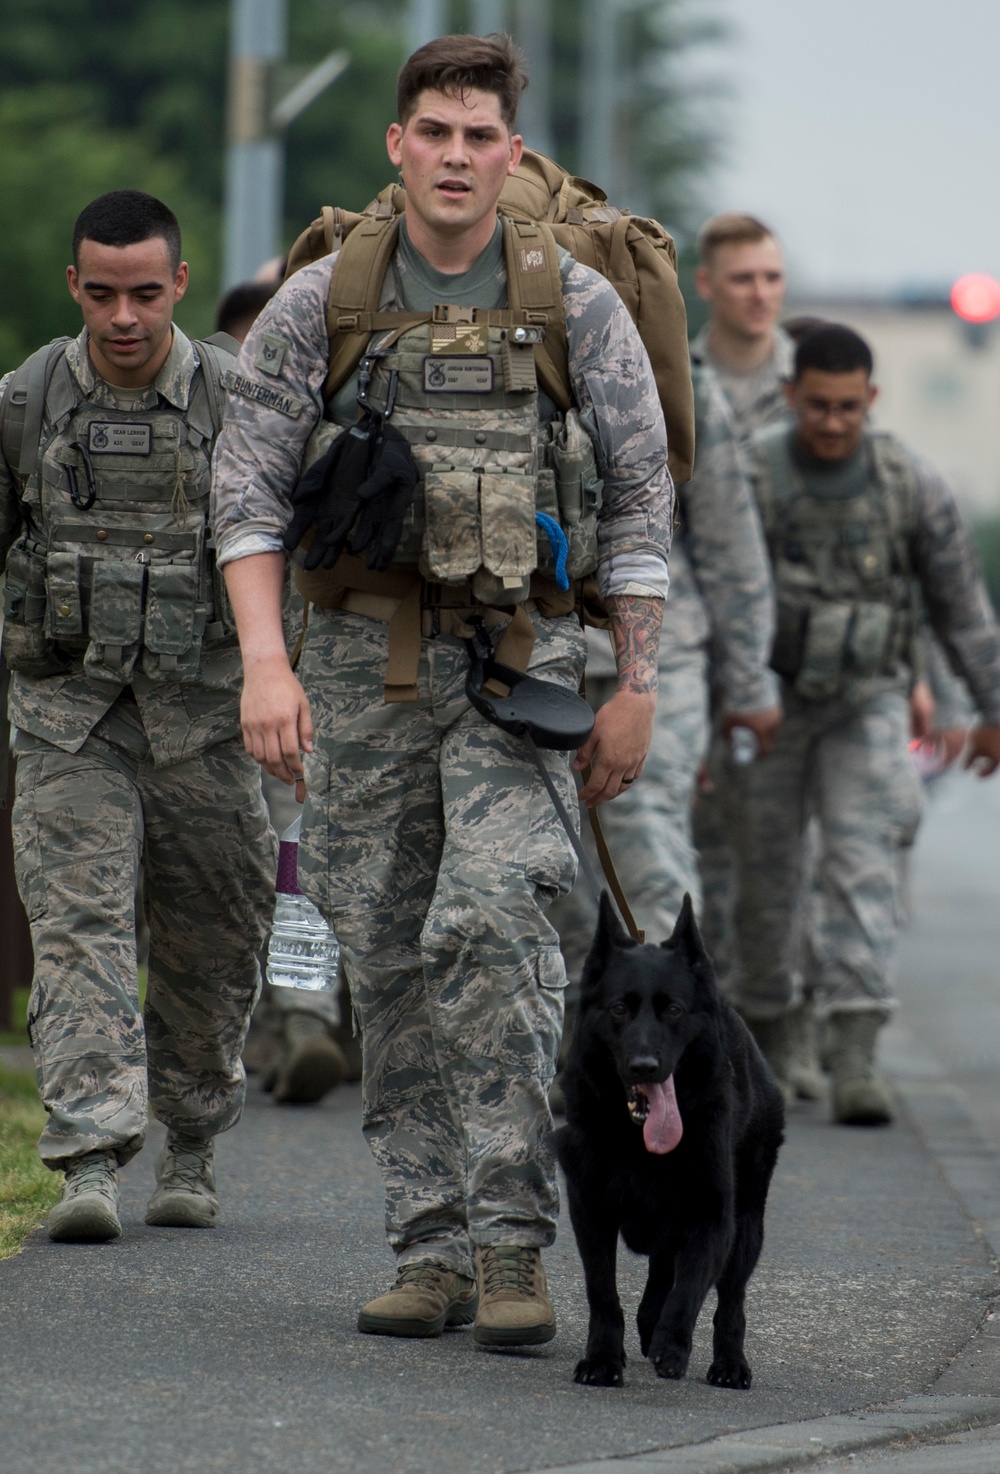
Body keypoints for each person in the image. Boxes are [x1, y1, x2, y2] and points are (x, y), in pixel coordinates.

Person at [211, 33, 674, 1347]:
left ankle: (515, 1240)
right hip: (354, 673)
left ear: (510, 153)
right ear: (398, 146)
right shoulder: (321, 302)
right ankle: (431, 1245)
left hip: (517, 671)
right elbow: (242, 497)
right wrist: (263, 662)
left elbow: (640, 504)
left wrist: (636, 682)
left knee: (496, 922)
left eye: (482, 136)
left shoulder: (575, 305)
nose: (458, 156)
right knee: (390, 954)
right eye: (436, 131)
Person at [0, 191, 276, 1242]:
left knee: (214, 943)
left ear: (180, 288)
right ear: (75, 285)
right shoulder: (27, 402)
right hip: (71, 720)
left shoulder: (238, 401)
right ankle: (86, 1157)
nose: (124, 316)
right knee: (79, 932)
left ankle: (193, 1139)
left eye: (145, 294)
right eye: (103, 293)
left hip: (206, 724)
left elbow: (284, 549)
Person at [713, 324, 1000, 1125]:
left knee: (861, 866)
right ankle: (775, 1037)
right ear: (793, 395)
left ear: (870, 400)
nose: (833, 422)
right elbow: (717, 591)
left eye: (848, 407)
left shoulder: (910, 481)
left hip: (867, 699)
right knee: (765, 879)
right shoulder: (752, 475)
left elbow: (961, 607)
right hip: (768, 702)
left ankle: (856, 1053)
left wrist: (989, 710)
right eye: (818, 406)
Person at [549, 358, 779, 1005]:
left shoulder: (682, 379)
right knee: (547, 867)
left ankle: (671, 1039)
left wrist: (749, 684)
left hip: (657, 657)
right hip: (537, 653)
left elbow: (732, 545)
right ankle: (584, 1040)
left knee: (648, 848)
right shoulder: (513, 346)